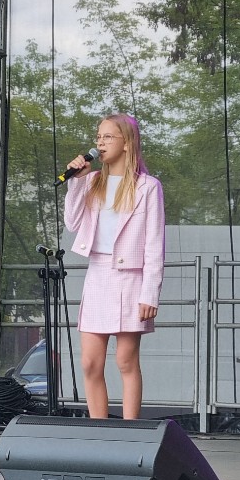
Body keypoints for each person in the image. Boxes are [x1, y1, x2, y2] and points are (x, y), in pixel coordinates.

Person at [62, 113, 165, 420]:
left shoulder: (148, 187)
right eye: (98, 137)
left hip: (131, 279)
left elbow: (155, 244)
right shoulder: (92, 181)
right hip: (98, 275)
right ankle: (99, 430)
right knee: (90, 363)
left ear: (127, 142)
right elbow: (72, 223)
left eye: (108, 137)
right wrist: (76, 182)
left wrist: (150, 292)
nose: (100, 143)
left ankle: (130, 431)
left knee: (125, 361)